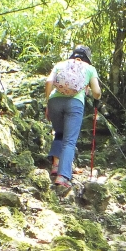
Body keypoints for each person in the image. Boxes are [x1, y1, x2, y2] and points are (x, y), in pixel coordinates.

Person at [45, 45, 102, 195]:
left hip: (54, 101)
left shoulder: (61, 64)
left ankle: (56, 165)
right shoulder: (89, 68)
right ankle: (63, 176)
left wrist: (47, 102)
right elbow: (96, 92)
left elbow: (48, 81)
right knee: (69, 141)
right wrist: (96, 98)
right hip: (74, 104)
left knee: (59, 133)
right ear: (87, 58)